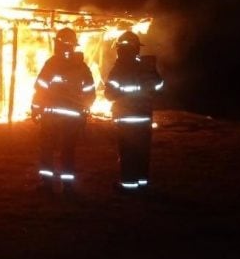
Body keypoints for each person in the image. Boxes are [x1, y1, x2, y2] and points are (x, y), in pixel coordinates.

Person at [31, 27, 96, 194]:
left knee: (47, 150)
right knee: (68, 152)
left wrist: (36, 108)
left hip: (51, 117)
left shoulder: (52, 64)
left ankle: (47, 185)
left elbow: (40, 88)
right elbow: (90, 92)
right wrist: (83, 108)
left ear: (60, 44)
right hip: (72, 118)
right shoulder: (82, 67)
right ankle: (68, 187)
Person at [104, 31, 164, 192]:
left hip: (126, 119)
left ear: (120, 49)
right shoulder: (146, 66)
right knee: (142, 152)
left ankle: (128, 186)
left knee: (128, 153)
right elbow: (159, 86)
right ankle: (142, 183)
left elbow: (109, 95)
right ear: (137, 48)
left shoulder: (118, 69)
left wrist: (121, 94)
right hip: (144, 118)